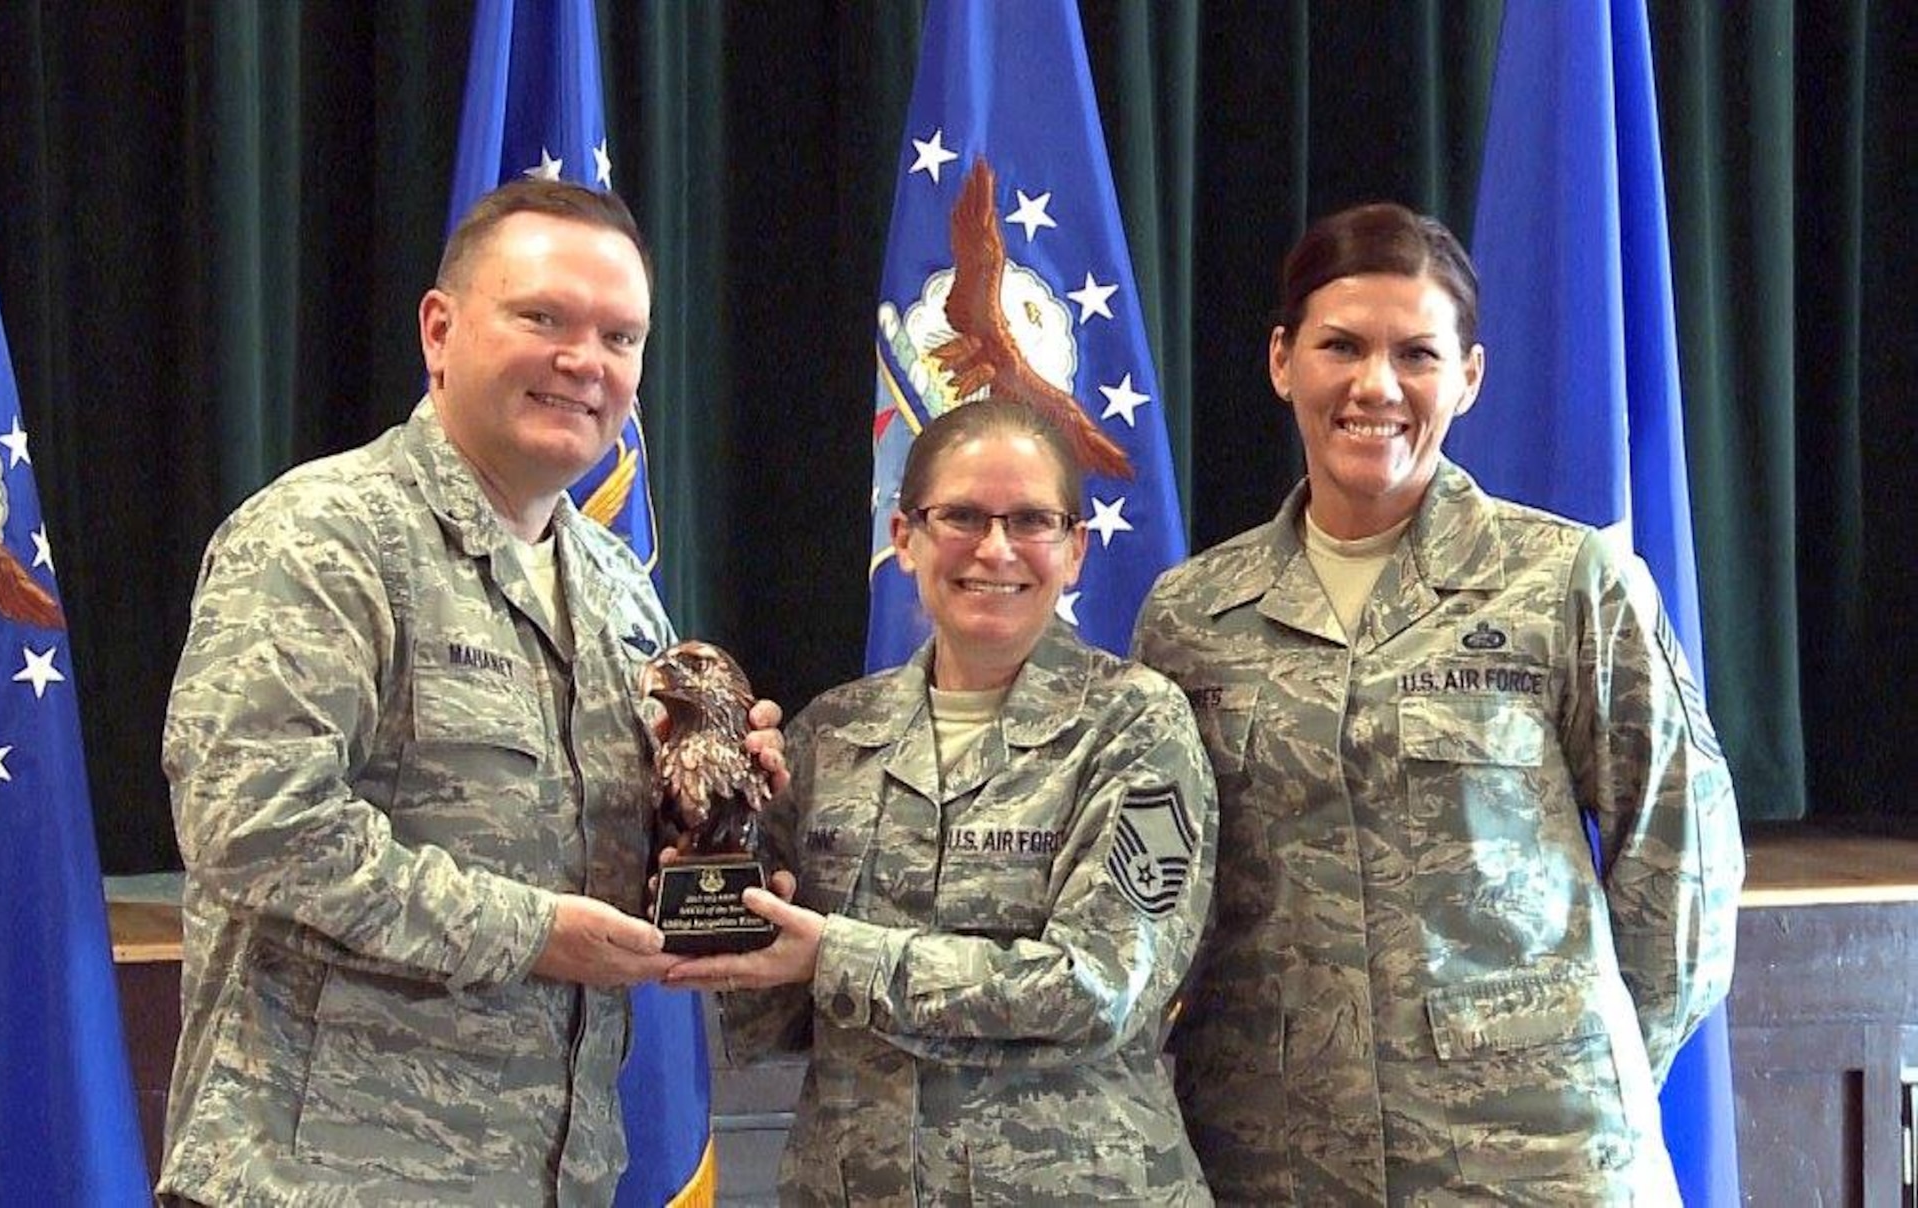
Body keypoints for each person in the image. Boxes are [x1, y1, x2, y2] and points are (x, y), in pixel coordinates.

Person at [158, 179, 782, 1206]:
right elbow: (260, 827)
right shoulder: (323, 539)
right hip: (326, 1178)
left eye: (620, 337)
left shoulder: (620, 589)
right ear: (439, 330)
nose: (585, 361)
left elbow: (621, 859)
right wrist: (534, 930)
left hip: (556, 1175)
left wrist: (723, 833)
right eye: (543, 318)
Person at [1131, 202, 1744, 1204]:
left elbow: (1681, 860)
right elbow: (1156, 884)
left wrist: (1572, 1059)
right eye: (1340, 346)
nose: (1375, 385)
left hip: (1531, 1154)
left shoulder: (1563, 582)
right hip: (1275, 1153)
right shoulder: (1192, 615)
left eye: (1415, 353)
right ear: (1282, 360)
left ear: (1467, 376)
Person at [665, 398, 1219, 1205]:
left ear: (1075, 552)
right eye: (961, 515)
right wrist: (714, 838)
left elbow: (1100, 988)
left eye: (1031, 519)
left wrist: (837, 955)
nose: (995, 548)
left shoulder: (1137, 726)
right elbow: (770, 1008)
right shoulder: (833, 734)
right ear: (904, 536)